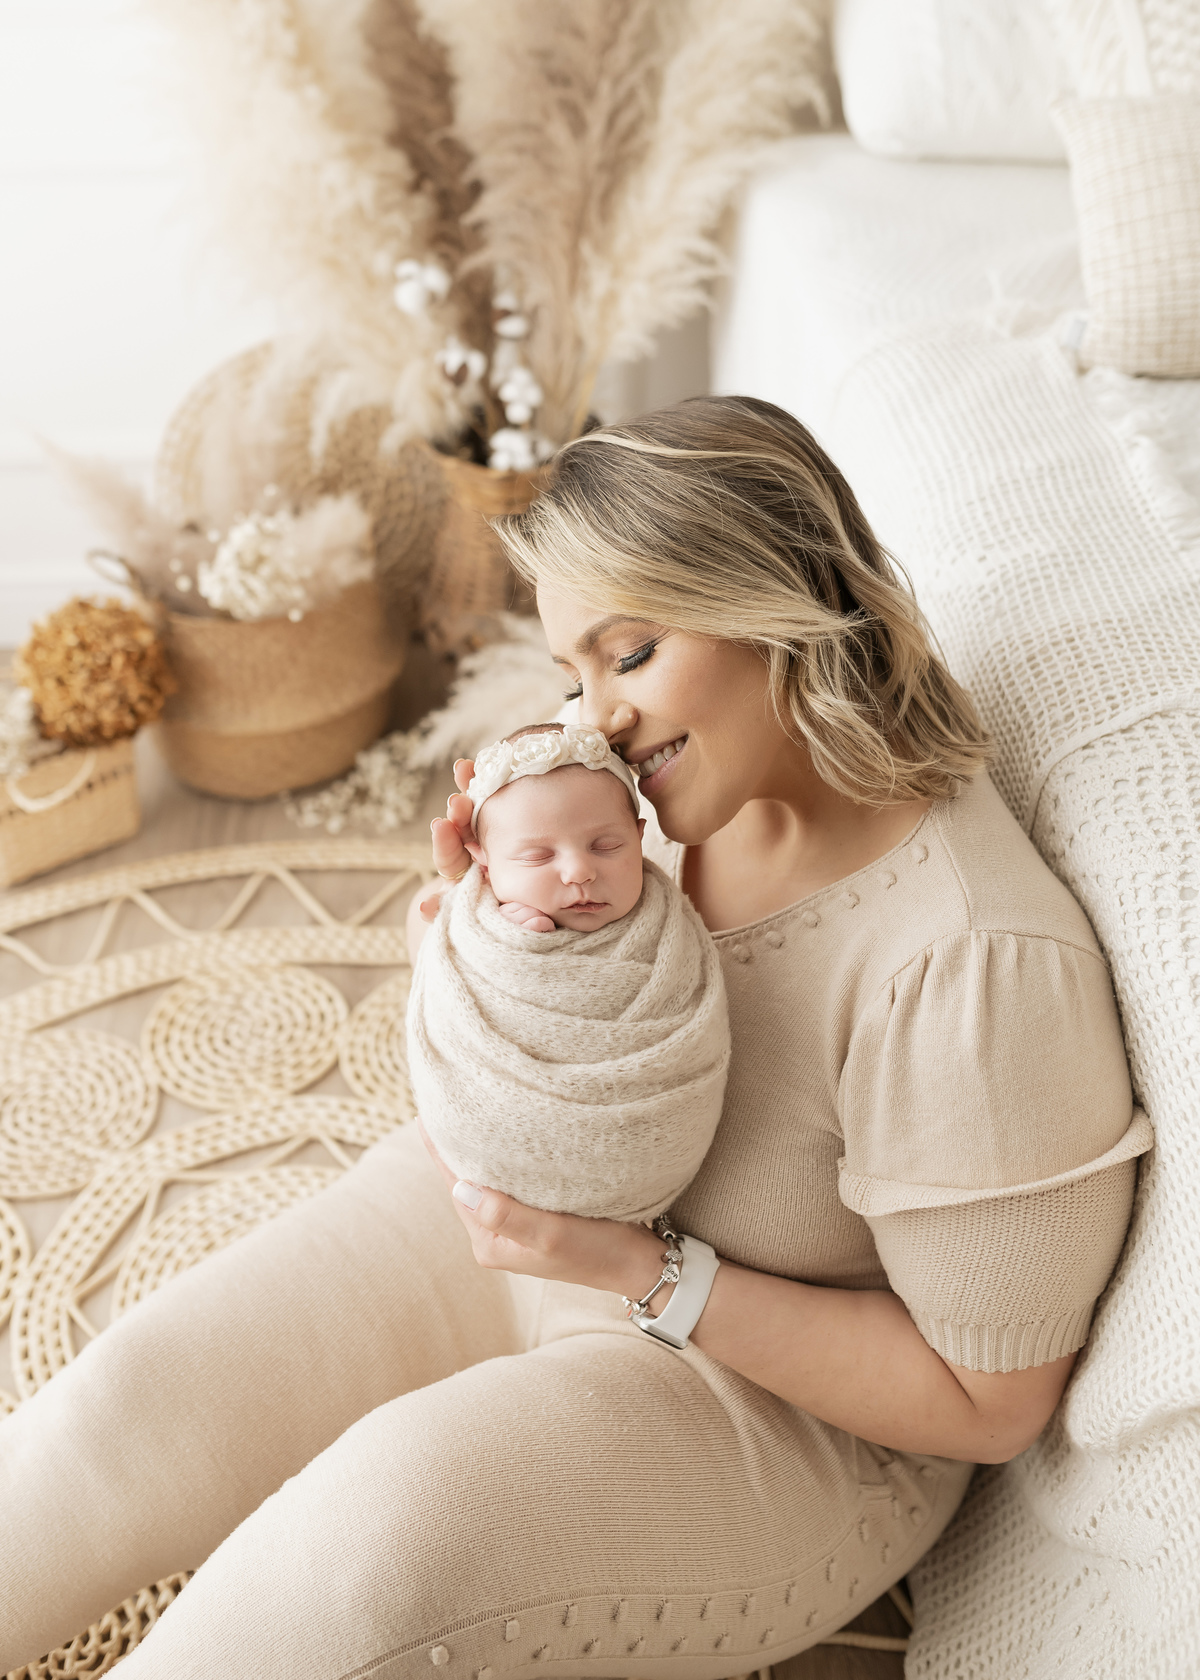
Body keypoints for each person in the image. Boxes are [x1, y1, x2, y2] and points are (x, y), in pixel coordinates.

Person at [0, 397, 1150, 1680]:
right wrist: (486, 948)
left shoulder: (971, 964)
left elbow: (990, 1402)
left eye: (632, 652)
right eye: (575, 674)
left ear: (774, 596)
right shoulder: (662, 801)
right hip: (540, 1218)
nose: (596, 721)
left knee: (360, 1550)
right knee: (129, 1408)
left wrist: (636, 1271)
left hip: (781, 1417)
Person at [406, 719, 729, 1223]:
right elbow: (447, 999)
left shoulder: (667, 929)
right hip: (492, 1149)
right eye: (537, 856)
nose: (580, 871)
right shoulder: (479, 926)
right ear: (484, 864)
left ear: (639, 837)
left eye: (607, 846)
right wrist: (497, 941)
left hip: (642, 1163)